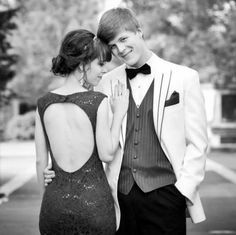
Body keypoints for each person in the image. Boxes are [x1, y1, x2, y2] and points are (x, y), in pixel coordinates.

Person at [95, 7, 208, 235]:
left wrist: (182, 191)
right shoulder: (106, 83)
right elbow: (97, 136)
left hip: (167, 196)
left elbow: (198, 144)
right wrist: (57, 166)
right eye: (114, 46)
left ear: (139, 31)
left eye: (124, 39)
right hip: (120, 197)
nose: (121, 50)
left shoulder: (184, 77)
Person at [35, 29, 129, 235]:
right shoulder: (97, 101)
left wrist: (47, 200)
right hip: (94, 206)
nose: (104, 70)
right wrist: (120, 113)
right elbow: (106, 154)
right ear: (82, 64)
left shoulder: (43, 104)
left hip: (54, 206)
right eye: (100, 64)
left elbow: (40, 163)